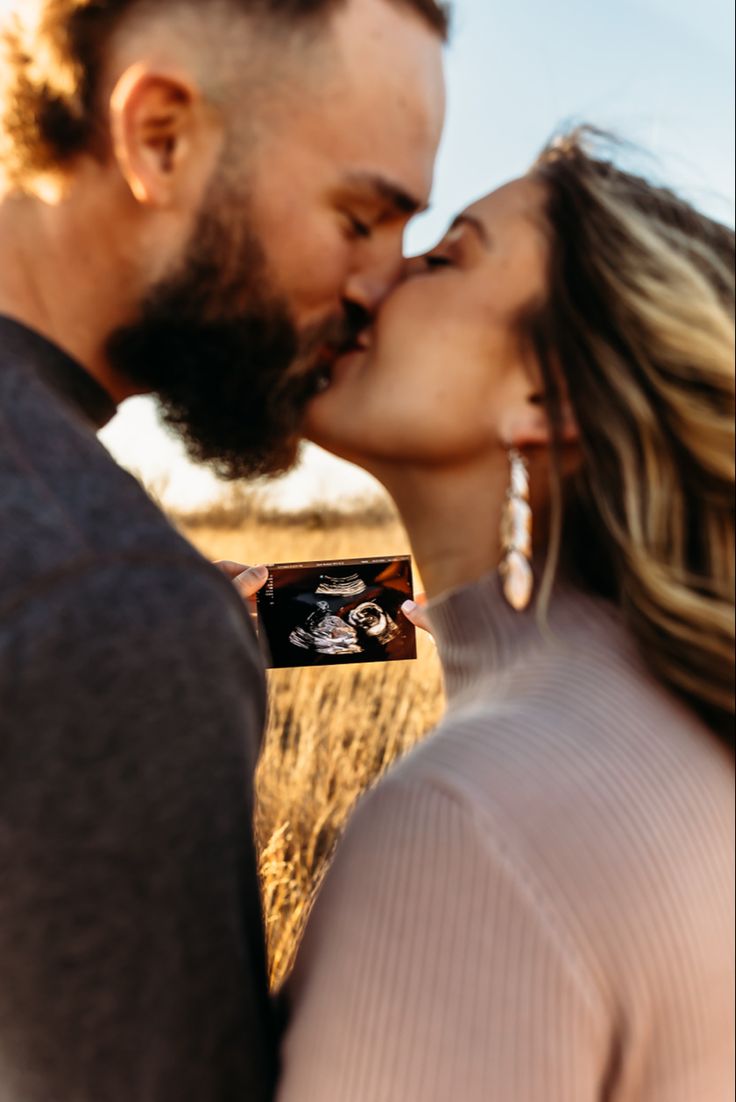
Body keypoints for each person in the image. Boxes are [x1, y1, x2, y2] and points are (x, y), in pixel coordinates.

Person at [0, 0, 447, 1098]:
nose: (381, 292)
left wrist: (407, 613)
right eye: (359, 216)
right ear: (160, 135)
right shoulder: (108, 596)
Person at [275, 129, 736, 1100]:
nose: (374, 282)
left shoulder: (466, 825)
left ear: (549, 392)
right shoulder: (667, 697)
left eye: (444, 258)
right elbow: (462, 613)